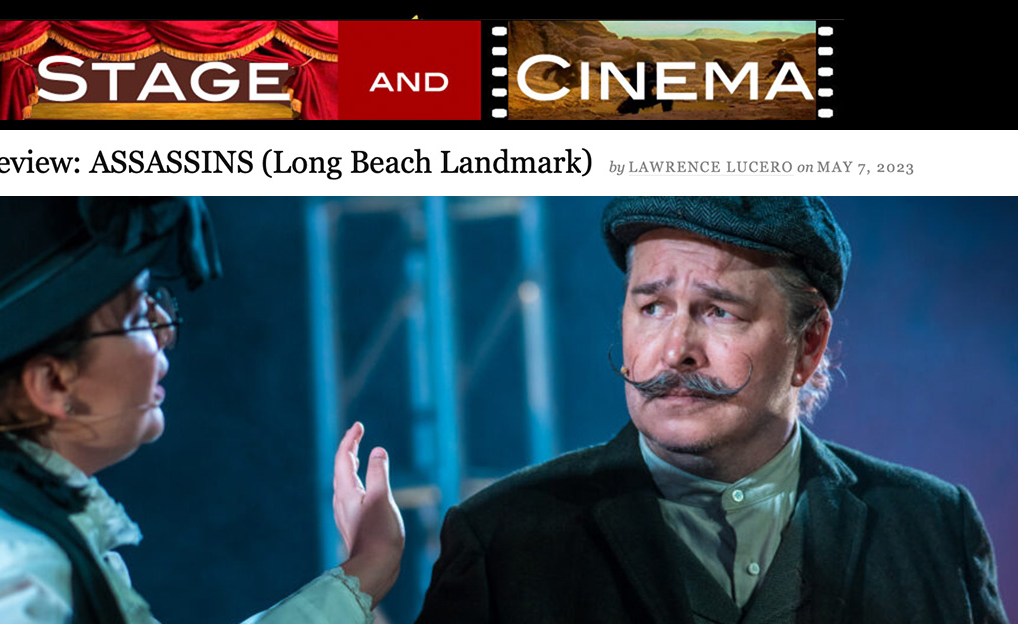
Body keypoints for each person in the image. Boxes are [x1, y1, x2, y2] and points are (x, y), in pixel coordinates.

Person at [416, 197, 1008, 623]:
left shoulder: (934, 526)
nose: (675, 350)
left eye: (719, 311)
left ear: (809, 344)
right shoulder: (503, 539)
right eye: (651, 307)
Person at [0, 197, 405, 624]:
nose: (165, 335)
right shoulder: (2, 576)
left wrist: (367, 567)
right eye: (133, 316)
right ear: (52, 382)